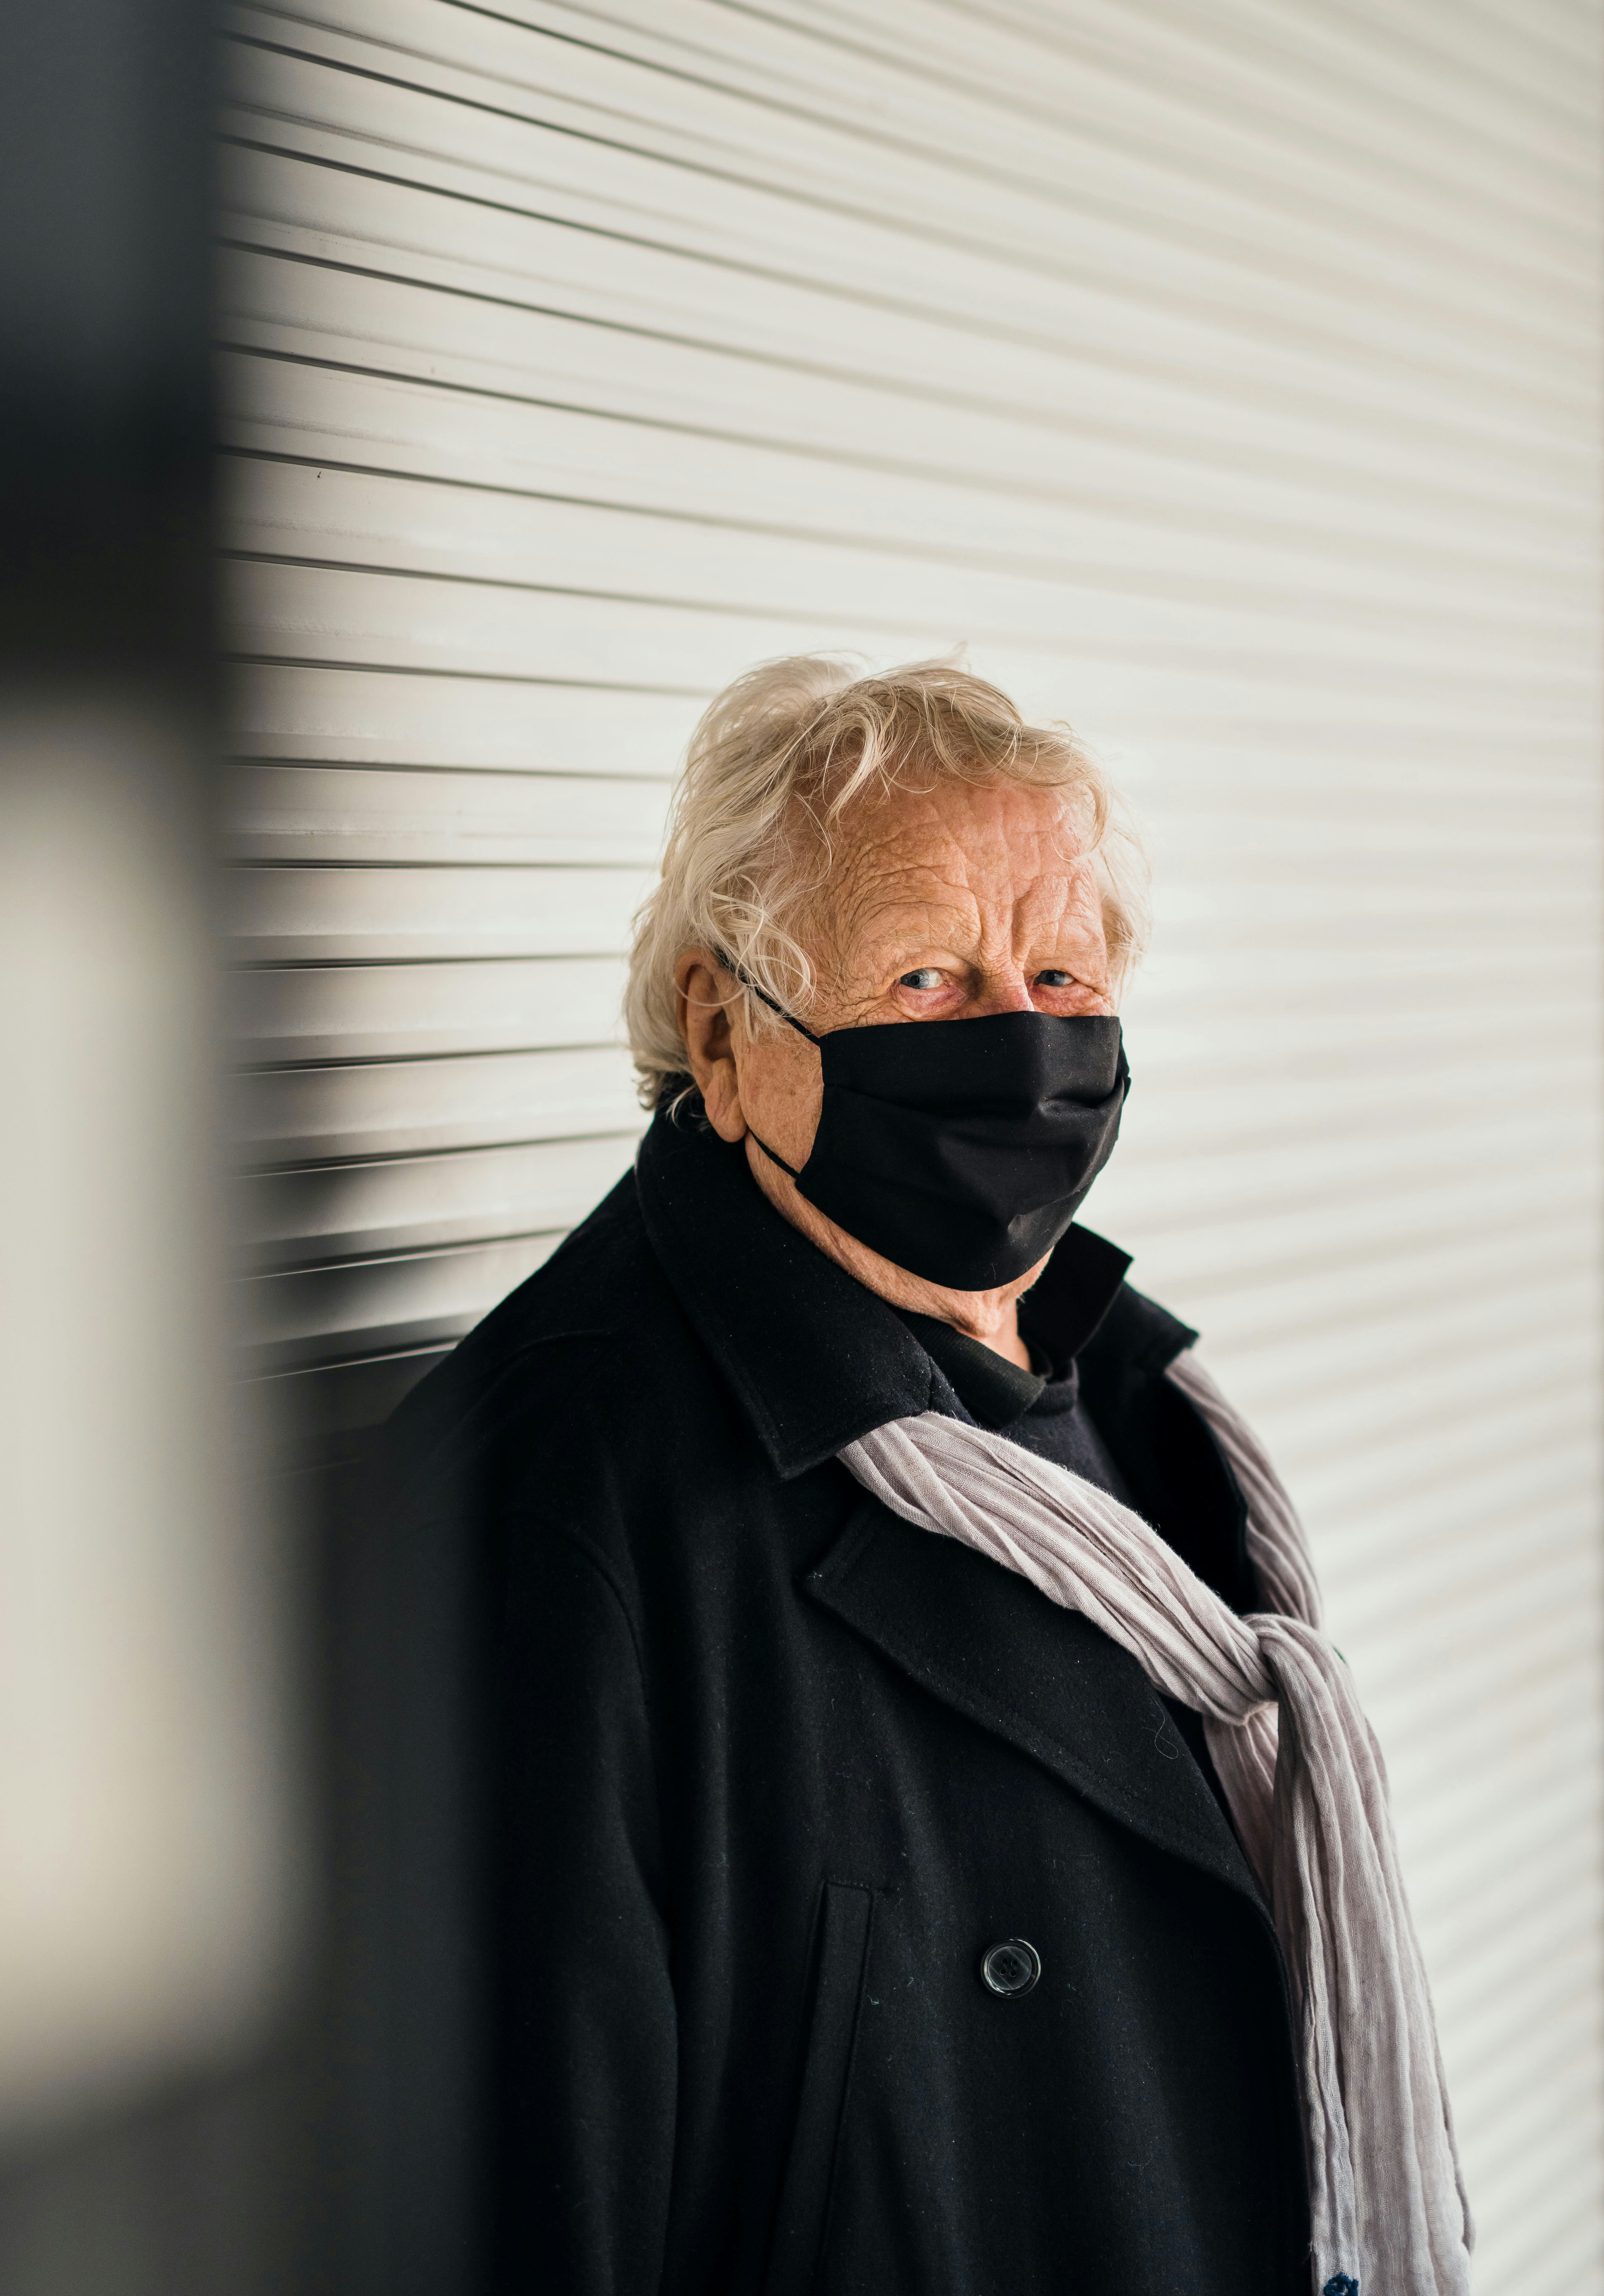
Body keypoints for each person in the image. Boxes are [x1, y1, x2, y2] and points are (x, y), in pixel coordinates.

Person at [369, 657, 1471, 2296]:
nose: (1021, 1040)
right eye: (929, 978)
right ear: (724, 1030)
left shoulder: (1142, 1398)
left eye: (1060, 970)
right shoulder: (555, 1499)